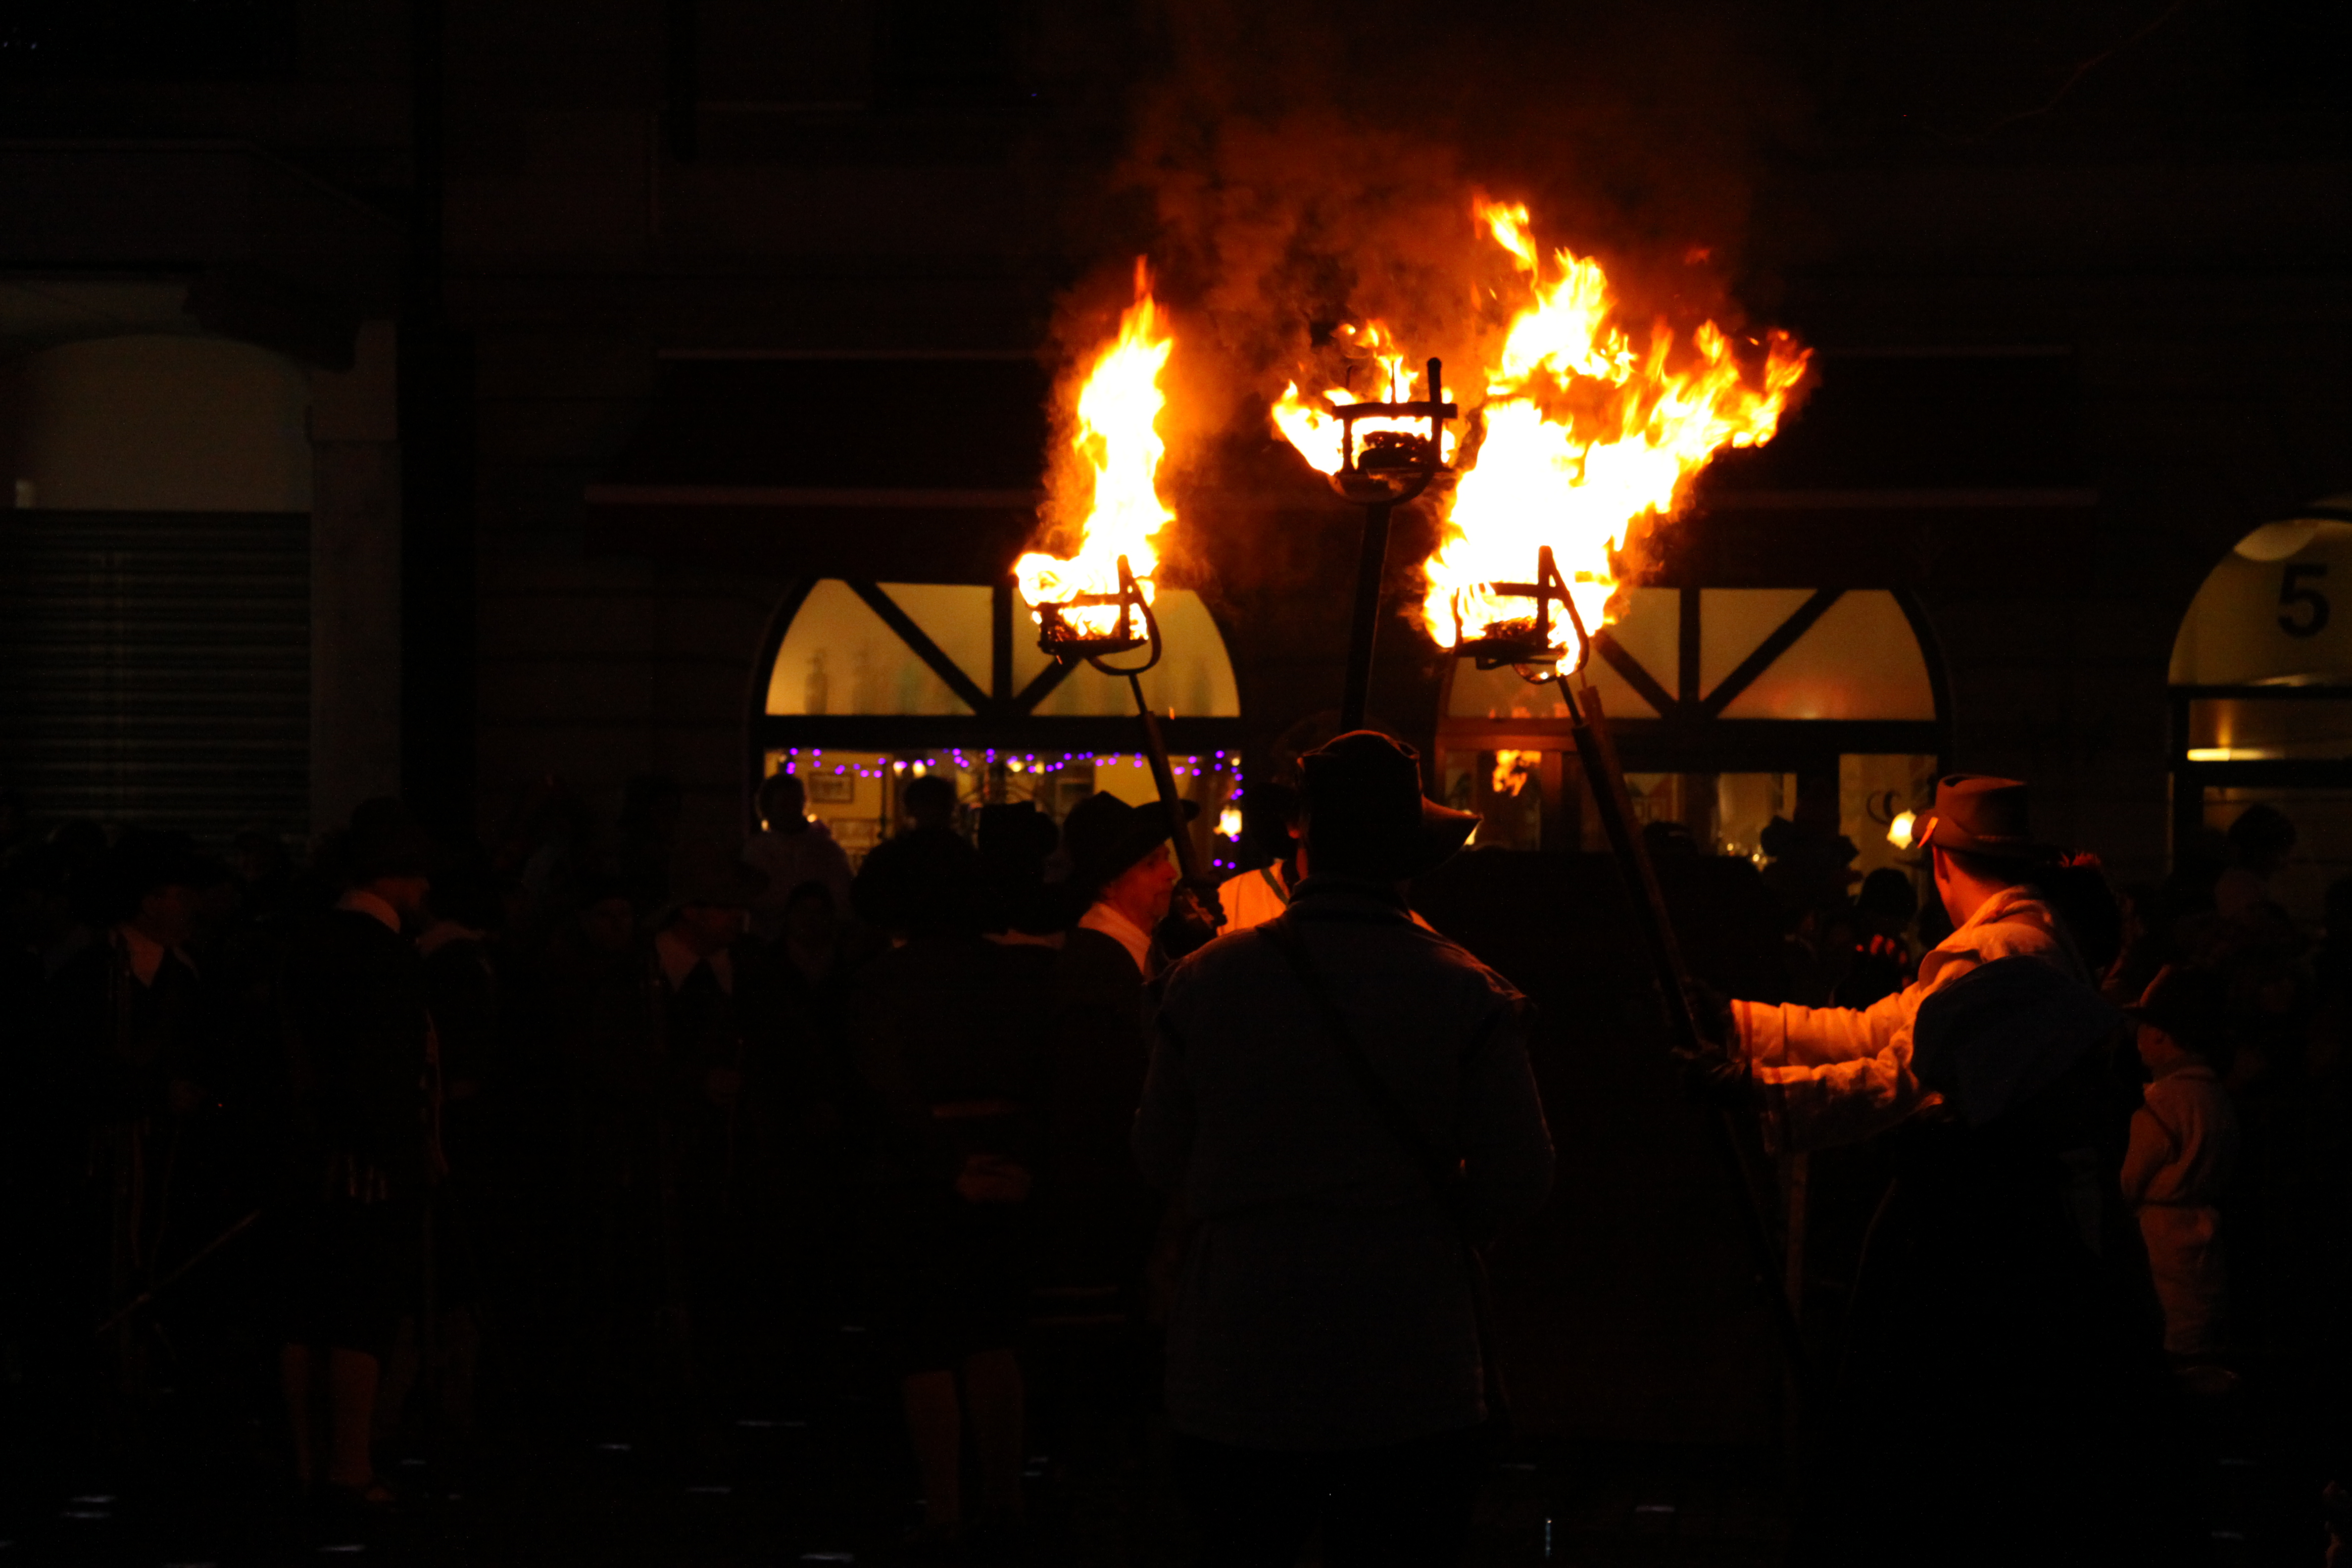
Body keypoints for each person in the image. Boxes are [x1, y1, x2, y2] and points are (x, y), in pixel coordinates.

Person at [1697, 774, 2190, 1565]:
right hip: (1998, 1229)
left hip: (1983, 1240)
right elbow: (1878, 1030)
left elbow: (1902, 1079)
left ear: (1941, 862)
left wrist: (1757, 1093)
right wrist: (1738, 1025)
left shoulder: (2006, 956)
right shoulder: (2018, 944)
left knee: (1940, 1444)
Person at [1134, 732, 1554, 1567]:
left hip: (1239, 1358)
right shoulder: (1468, 992)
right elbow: (1523, 1177)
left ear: (1306, 841)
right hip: (1410, 1365)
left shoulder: (1202, 982)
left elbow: (1155, 1155)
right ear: (1410, 856)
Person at [851, 826, 1049, 1552]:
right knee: (994, 1339)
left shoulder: (882, 981)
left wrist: (944, 1166)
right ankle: (1005, 1500)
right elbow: (1047, 1075)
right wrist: (1018, 1159)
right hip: (1004, 1167)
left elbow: (882, 1087)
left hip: (916, 1180)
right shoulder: (1022, 974)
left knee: (924, 1348)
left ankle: (943, 1509)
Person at [276, 800, 439, 1506]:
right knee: (359, 1312)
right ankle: (349, 1464)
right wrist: (402, 1154)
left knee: (306, 1314)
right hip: (366, 1159)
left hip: (306, 1152)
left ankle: (308, 1460)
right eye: (418, 873)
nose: (427, 888)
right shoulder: (385, 954)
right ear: (392, 875)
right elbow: (384, 1071)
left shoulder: (308, 940)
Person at [2119, 964, 2240, 1363]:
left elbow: (2129, 1180)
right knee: (2198, 1323)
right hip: (2204, 1230)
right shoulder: (2214, 1096)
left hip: (2159, 1239)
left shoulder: (2161, 1104)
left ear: (2158, 1033)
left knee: (2169, 1332)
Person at [743, 772, 852, 943]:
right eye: (783, 804)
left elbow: (841, 897)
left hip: (818, 939)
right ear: (768, 808)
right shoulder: (756, 850)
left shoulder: (826, 849)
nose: (790, 810)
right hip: (769, 939)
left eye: (795, 802)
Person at [2213, 802, 2295, 921]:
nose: (2285, 864)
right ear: (2259, 851)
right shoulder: (2244, 893)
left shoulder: (2237, 883)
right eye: (2282, 853)